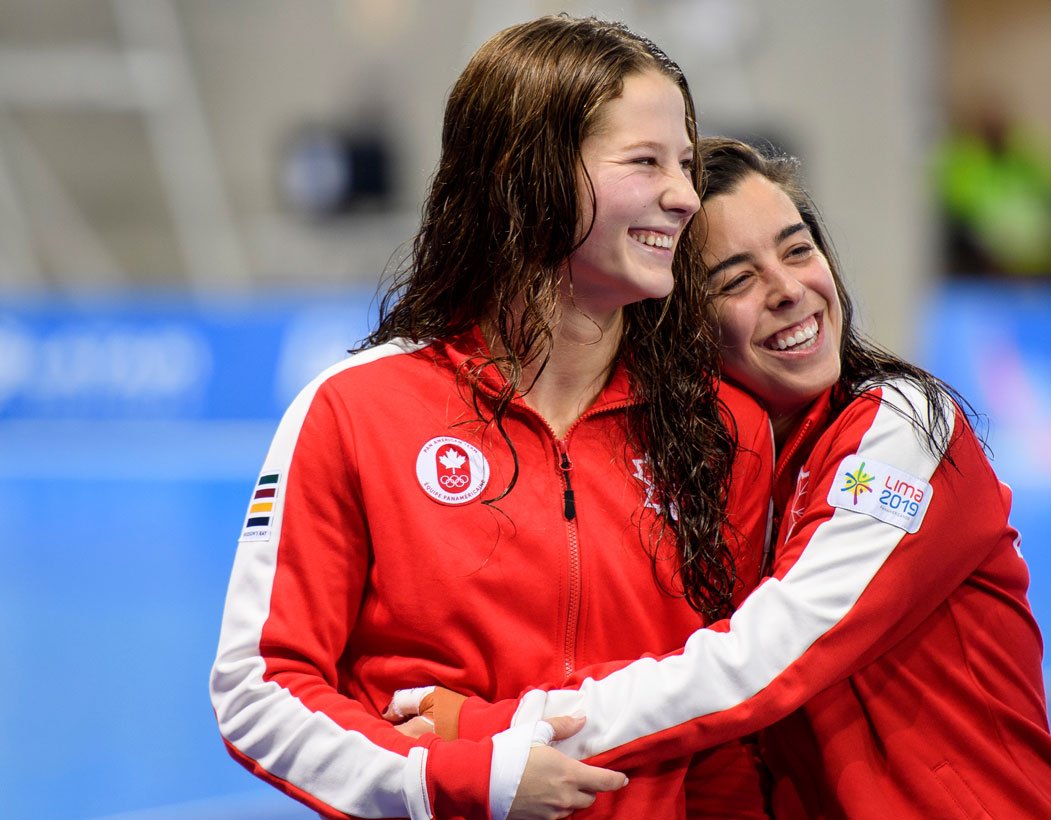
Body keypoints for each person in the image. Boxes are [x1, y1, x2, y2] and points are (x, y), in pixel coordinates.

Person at [398, 137, 1051, 819]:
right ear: (679, 326)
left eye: (797, 250)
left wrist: (497, 730)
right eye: (736, 280)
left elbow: (761, 660)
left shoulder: (902, 428)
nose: (789, 290)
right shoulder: (711, 474)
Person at [208, 19, 773, 820]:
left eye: (683, 163)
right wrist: (454, 781)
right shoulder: (357, 411)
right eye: (645, 162)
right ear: (528, 175)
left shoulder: (720, 430)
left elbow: (730, 728)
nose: (684, 195)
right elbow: (260, 688)